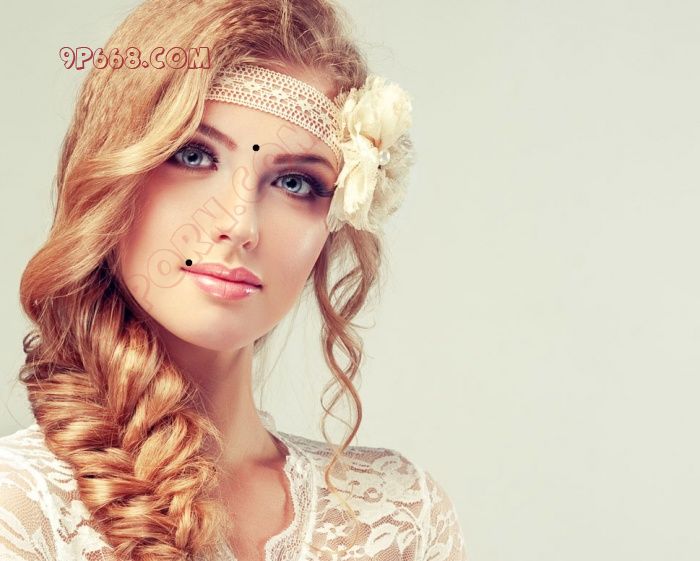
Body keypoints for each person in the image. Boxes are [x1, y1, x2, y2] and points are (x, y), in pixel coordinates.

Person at [0, 1, 467, 560]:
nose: (240, 224)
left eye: (295, 183)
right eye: (193, 155)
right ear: (113, 176)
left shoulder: (398, 516)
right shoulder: (20, 509)